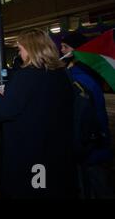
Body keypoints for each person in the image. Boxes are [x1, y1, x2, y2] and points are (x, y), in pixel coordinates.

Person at [0, 29, 77, 198]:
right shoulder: (62, 75)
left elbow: (4, 112)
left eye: (20, 49)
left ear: (31, 50)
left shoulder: (26, 76)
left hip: (29, 150)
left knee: (32, 189)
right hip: (56, 148)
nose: (19, 53)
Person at [61, 32, 113, 198]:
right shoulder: (82, 72)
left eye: (65, 47)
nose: (61, 50)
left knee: (95, 183)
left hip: (89, 141)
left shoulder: (79, 76)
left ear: (77, 50)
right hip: (92, 139)